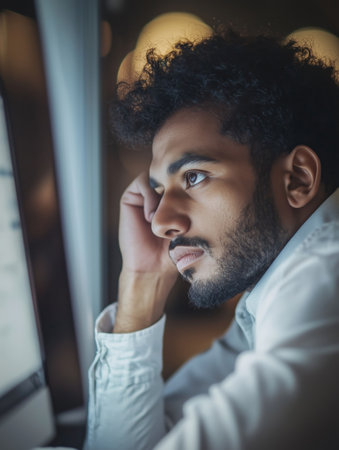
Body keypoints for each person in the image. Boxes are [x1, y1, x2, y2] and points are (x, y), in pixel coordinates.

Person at [85, 30, 339, 450]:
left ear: (298, 179)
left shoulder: (326, 277)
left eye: (194, 176)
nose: (160, 222)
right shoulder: (265, 303)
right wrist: (142, 282)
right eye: (159, 190)